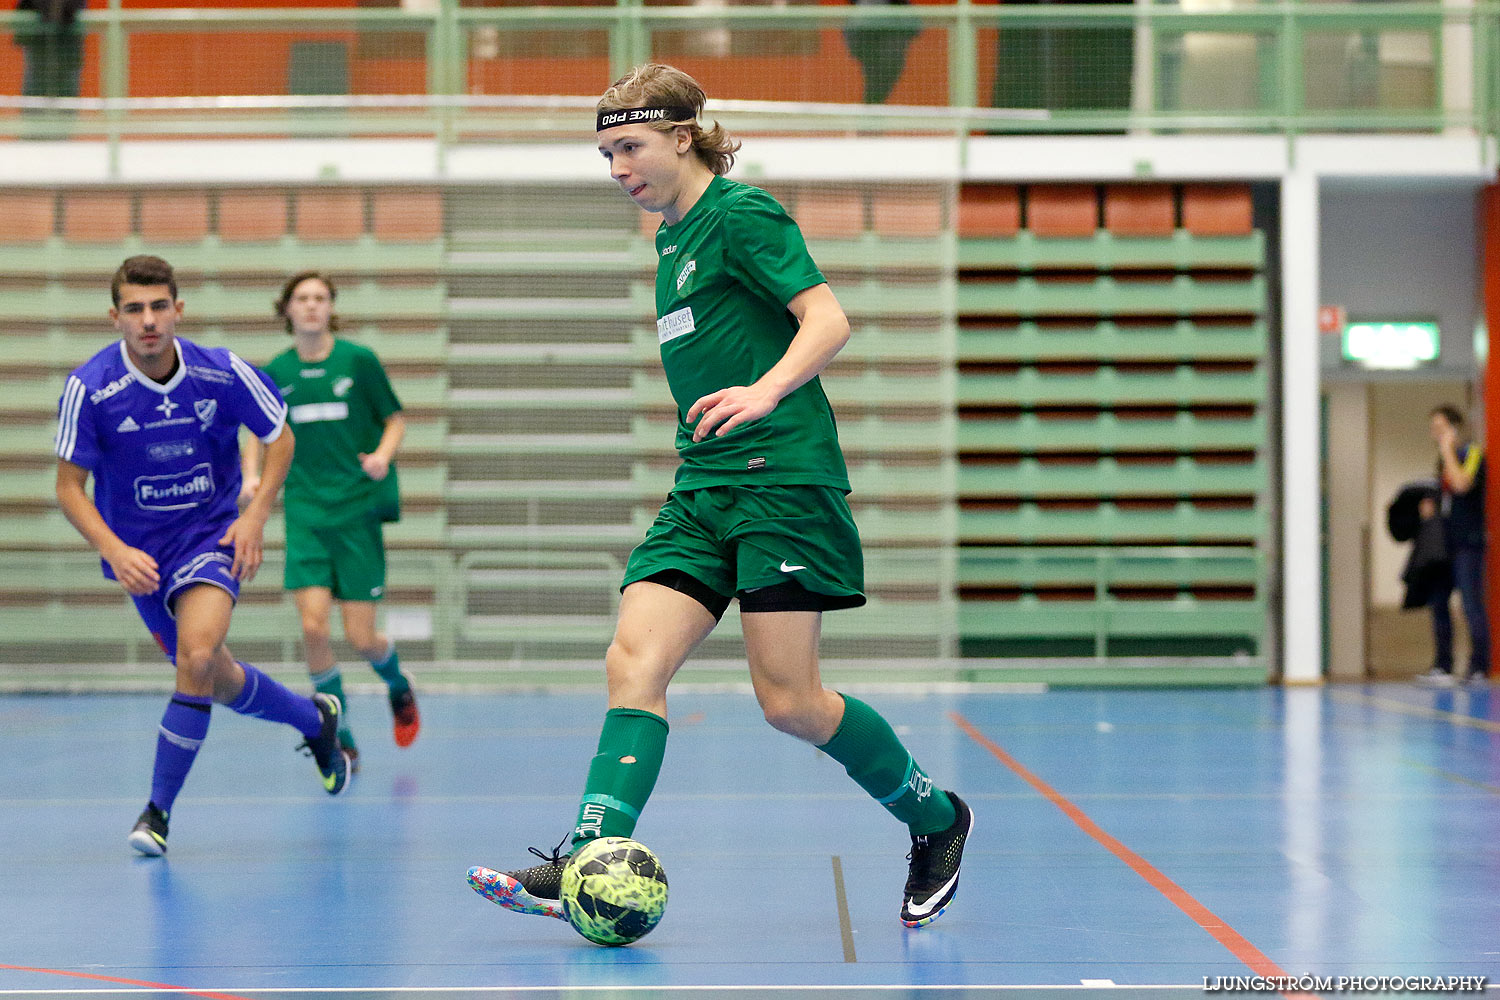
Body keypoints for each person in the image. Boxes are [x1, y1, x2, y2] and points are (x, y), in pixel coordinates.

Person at [467, 63, 972, 929]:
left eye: (629, 147)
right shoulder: (668, 240)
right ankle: (583, 856)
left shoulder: (742, 214)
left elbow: (828, 319)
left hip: (781, 481)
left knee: (791, 702)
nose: (618, 168)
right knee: (633, 662)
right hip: (702, 484)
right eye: (605, 154)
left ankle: (936, 816)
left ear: (683, 135)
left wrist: (765, 390)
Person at [53, 255, 351, 857]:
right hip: (139, 555)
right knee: (214, 677)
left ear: (178, 310)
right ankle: (312, 719)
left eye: (159, 306)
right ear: (116, 317)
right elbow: (68, 488)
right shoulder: (90, 388)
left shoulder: (220, 372)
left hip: (210, 540)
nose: (148, 321)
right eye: (134, 309)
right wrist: (113, 547)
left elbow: (280, 438)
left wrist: (255, 517)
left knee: (197, 655)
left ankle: (157, 812)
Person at [241, 271, 418, 773]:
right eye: (303, 298)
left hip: (356, 511)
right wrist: (251, 475)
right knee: (312, 626)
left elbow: (395, 418)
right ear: (288, 309)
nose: (312, 306)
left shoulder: (358, 362)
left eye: (321, 298)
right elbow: (258, 429)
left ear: (330, 308)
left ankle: (397, 684)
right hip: (304, 513)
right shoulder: (276, 371)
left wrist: (383, 455)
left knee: (362, 638)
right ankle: (340, 733)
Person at [1414, 404, 1489, 686]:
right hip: (1443, 545)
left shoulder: (1471, 453)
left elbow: (1461, 485)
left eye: (1440, 428)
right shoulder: (1442, 460)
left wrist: (1447, 449)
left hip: (1467, 544)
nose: (1436, 434)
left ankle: (1479, 666)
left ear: (1455, 428)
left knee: (1470, 604)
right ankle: (1443, 665)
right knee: (1438, 602)